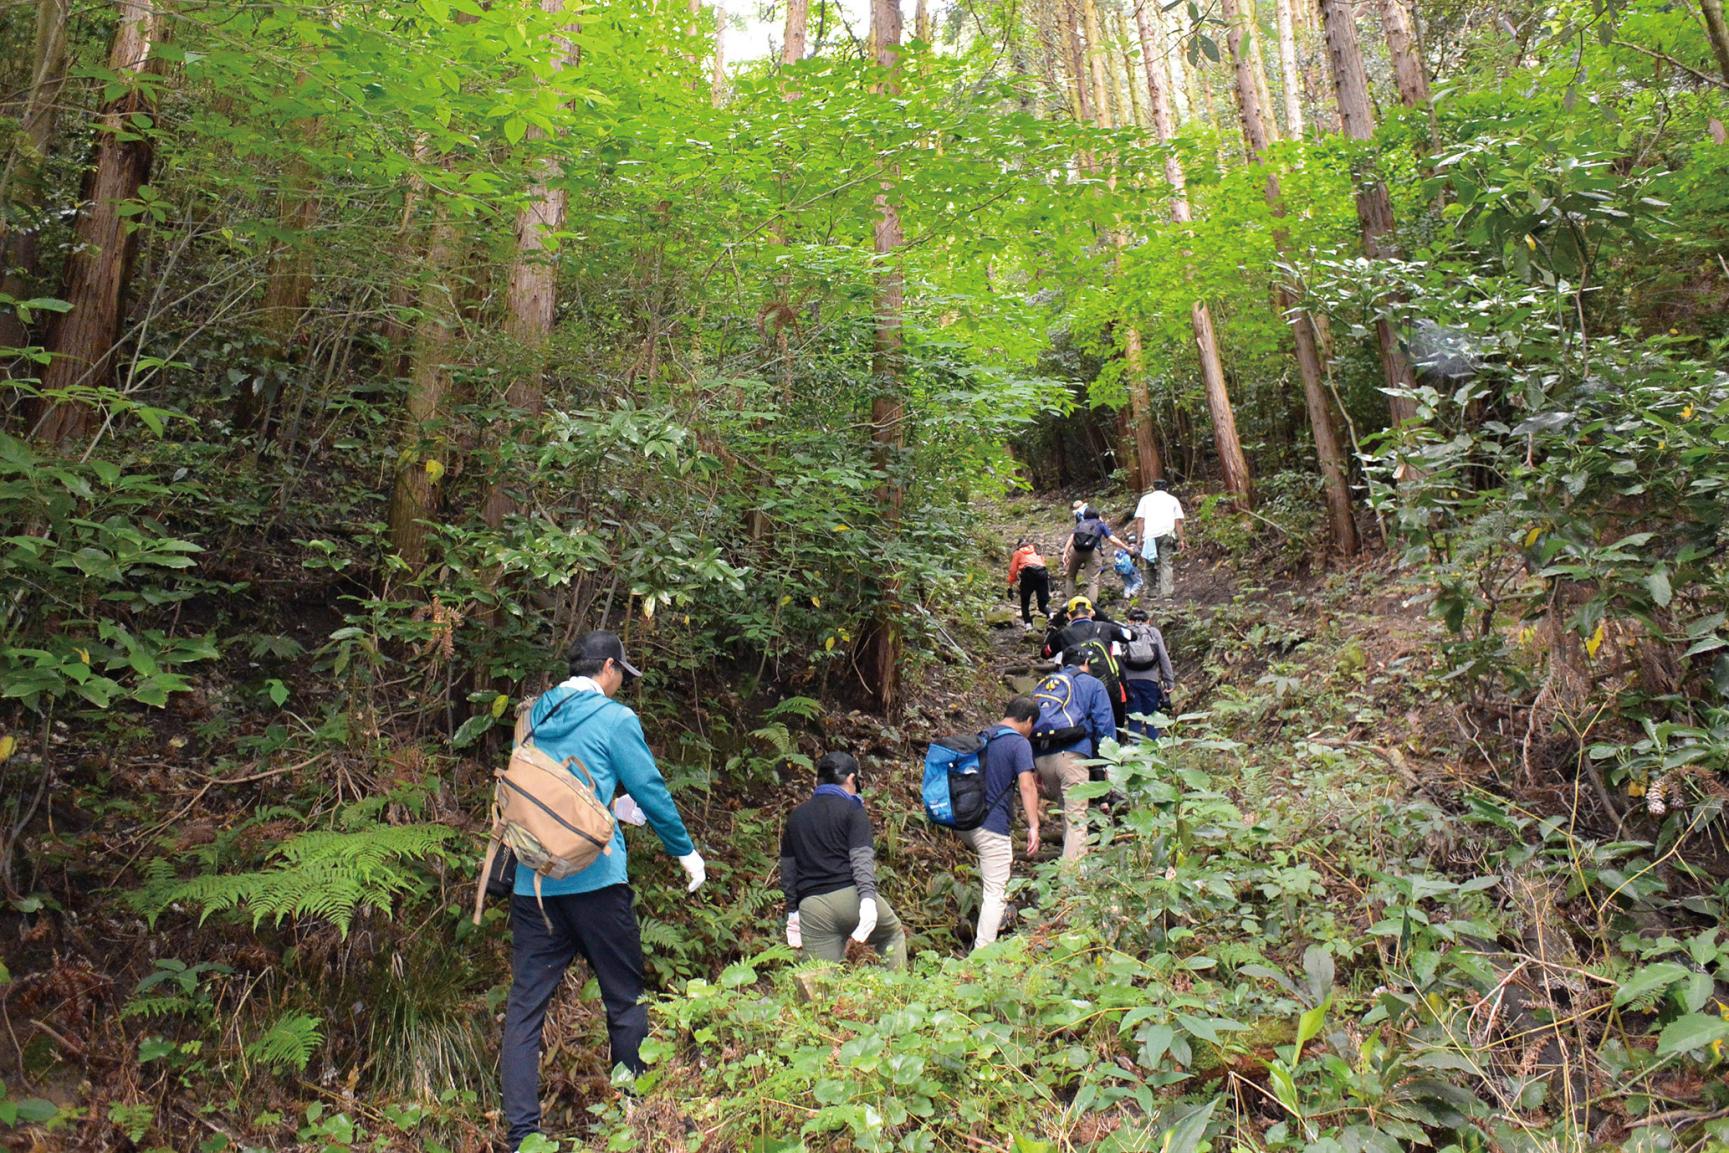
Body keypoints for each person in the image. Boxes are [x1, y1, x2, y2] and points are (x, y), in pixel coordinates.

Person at [501, 631, 707, 1152]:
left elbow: (546, 797)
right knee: (623, 996)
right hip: (597, 881)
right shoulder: (615, 719)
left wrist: (609, 808)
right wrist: (684, 851)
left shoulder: (534, 717)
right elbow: (650, 788)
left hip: (536, 884)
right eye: (622, 676)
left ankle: (522, 1133)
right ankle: (634, 1113)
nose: (622, 686)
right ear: (609, 668)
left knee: (525, 1009)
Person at [780, 751, 907, 968]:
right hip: (850, 897)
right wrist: (867, 899)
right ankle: (897, 992)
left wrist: (793, 911)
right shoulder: (852, 809)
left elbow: (788, 871)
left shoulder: (796, 816)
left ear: (816, 781)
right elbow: (861, 859)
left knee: (821, 980)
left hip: (813, 907)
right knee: (892, 934)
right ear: (851, 779)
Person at [963, 697, 1042, 950]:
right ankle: (981, 957)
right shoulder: (1018, 744)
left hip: (966, 822)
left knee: (990, 881)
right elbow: (1027, 785)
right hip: (992, 826)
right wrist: (1034, 826)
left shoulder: (983, 736)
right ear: (1029, 721)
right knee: (995, 893)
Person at [1030, 655, 1117, 861]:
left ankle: (1067, 861)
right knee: (1077, 818)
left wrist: (1033, 765)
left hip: (1043, 757)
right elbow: (1104, 726)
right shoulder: (1093, 684)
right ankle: (1072, 880)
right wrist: (1107, 762)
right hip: (1072, 756)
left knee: (1066, 810)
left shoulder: (1048, 684)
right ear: (1086, 662)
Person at [1049, 597, 1132, 730]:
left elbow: (1045, 653)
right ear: (1092, 613)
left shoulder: (1063, 634)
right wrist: (1107, 620)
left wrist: (1054, 625)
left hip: (1078, 690)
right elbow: (1131, 635)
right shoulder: (1105, 627)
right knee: (1114, 728)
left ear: (1069, 616)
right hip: (1109, 687)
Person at [1120, 608, 1176, 740]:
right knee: (1152, 717)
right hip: (1150, 680)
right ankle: (1154, 751)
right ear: (1148, 621)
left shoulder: (1123, 632)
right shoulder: (1153, 632)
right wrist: (1169, 680)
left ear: (1129, 621)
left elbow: (1117, 657)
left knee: (1134, 718)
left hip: (1129, 681)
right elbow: (1163, 656)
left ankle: (1135, 752)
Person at [1131, 480, 1185, 602]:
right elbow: (1178, 522)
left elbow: (1140, 520)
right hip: (1167, 534)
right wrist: (1181, 539)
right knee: (1166, 563)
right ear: (1166, 488)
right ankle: (1167, 594)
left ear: (1153, 488)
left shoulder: (1145, 499)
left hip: (1150, 535)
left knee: (1149, 564)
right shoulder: (1172, 499)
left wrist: (1139, 538)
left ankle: (1152, 592)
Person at [1064, 506, 1133, 600]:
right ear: (1097, 514)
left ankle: (1068, 601)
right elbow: (1112, 539)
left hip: (1076, 551)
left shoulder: (1080, 524)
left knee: (1071, 576)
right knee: (1093, 581)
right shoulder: (1100, 524)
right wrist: (1127, 548)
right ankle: (1092, 606)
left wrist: (1065, 552)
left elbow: (1071, 538)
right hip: (1093, 552)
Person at [1006, 538, 1051, 632]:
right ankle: (1052, 615)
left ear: (1018, 546)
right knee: (1042, 605)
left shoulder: (1018, 553)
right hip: (1042, 574)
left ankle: (1028, 625)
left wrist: (1010, 587)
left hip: (1028, 574)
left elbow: (1013, 571)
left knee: (1025, 602)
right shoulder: (1036, 551)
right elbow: (1043, 564)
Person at [1113, 534, 1144, 600]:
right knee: (1138, 582)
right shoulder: (1135, 548)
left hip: (1122, 570)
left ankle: (1126, 596)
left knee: (1128, 584)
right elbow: (1139, 557)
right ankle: (1132, 594)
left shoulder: (1122, 549)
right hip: (1132, 569)